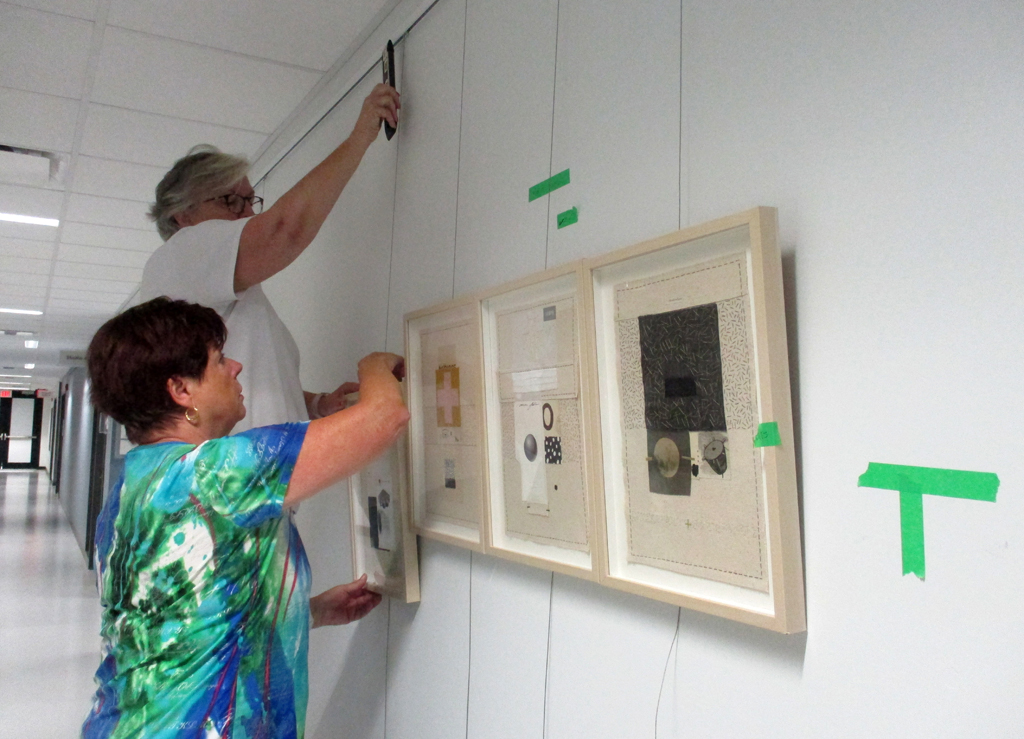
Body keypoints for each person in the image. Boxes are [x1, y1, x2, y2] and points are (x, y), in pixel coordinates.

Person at [81, 297, 409, 739]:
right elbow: (384, 419)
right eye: (218, 360)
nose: (236, 367)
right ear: (182, 391)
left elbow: (171, 618)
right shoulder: (215, 472)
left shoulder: (129, 488)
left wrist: (305, 612)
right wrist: (374, 366)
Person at [139, 84, 400, 432]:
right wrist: (359, 137)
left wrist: (317, 403)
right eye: (230, 201)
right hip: (244, 475)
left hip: (265, 471)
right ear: (181, 216)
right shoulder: (182, 252)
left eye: (250, 201)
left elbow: (257, 387)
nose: (248, 215)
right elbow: (283, 230)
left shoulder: (215, 292)